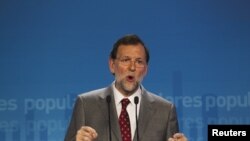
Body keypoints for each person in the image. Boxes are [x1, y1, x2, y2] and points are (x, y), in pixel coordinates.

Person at [64, 34, 188, 141]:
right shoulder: (86, 104)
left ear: (146, 69)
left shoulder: (165, 111)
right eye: (126, 60)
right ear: (112, 65)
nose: (132, 68)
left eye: (139, 62)